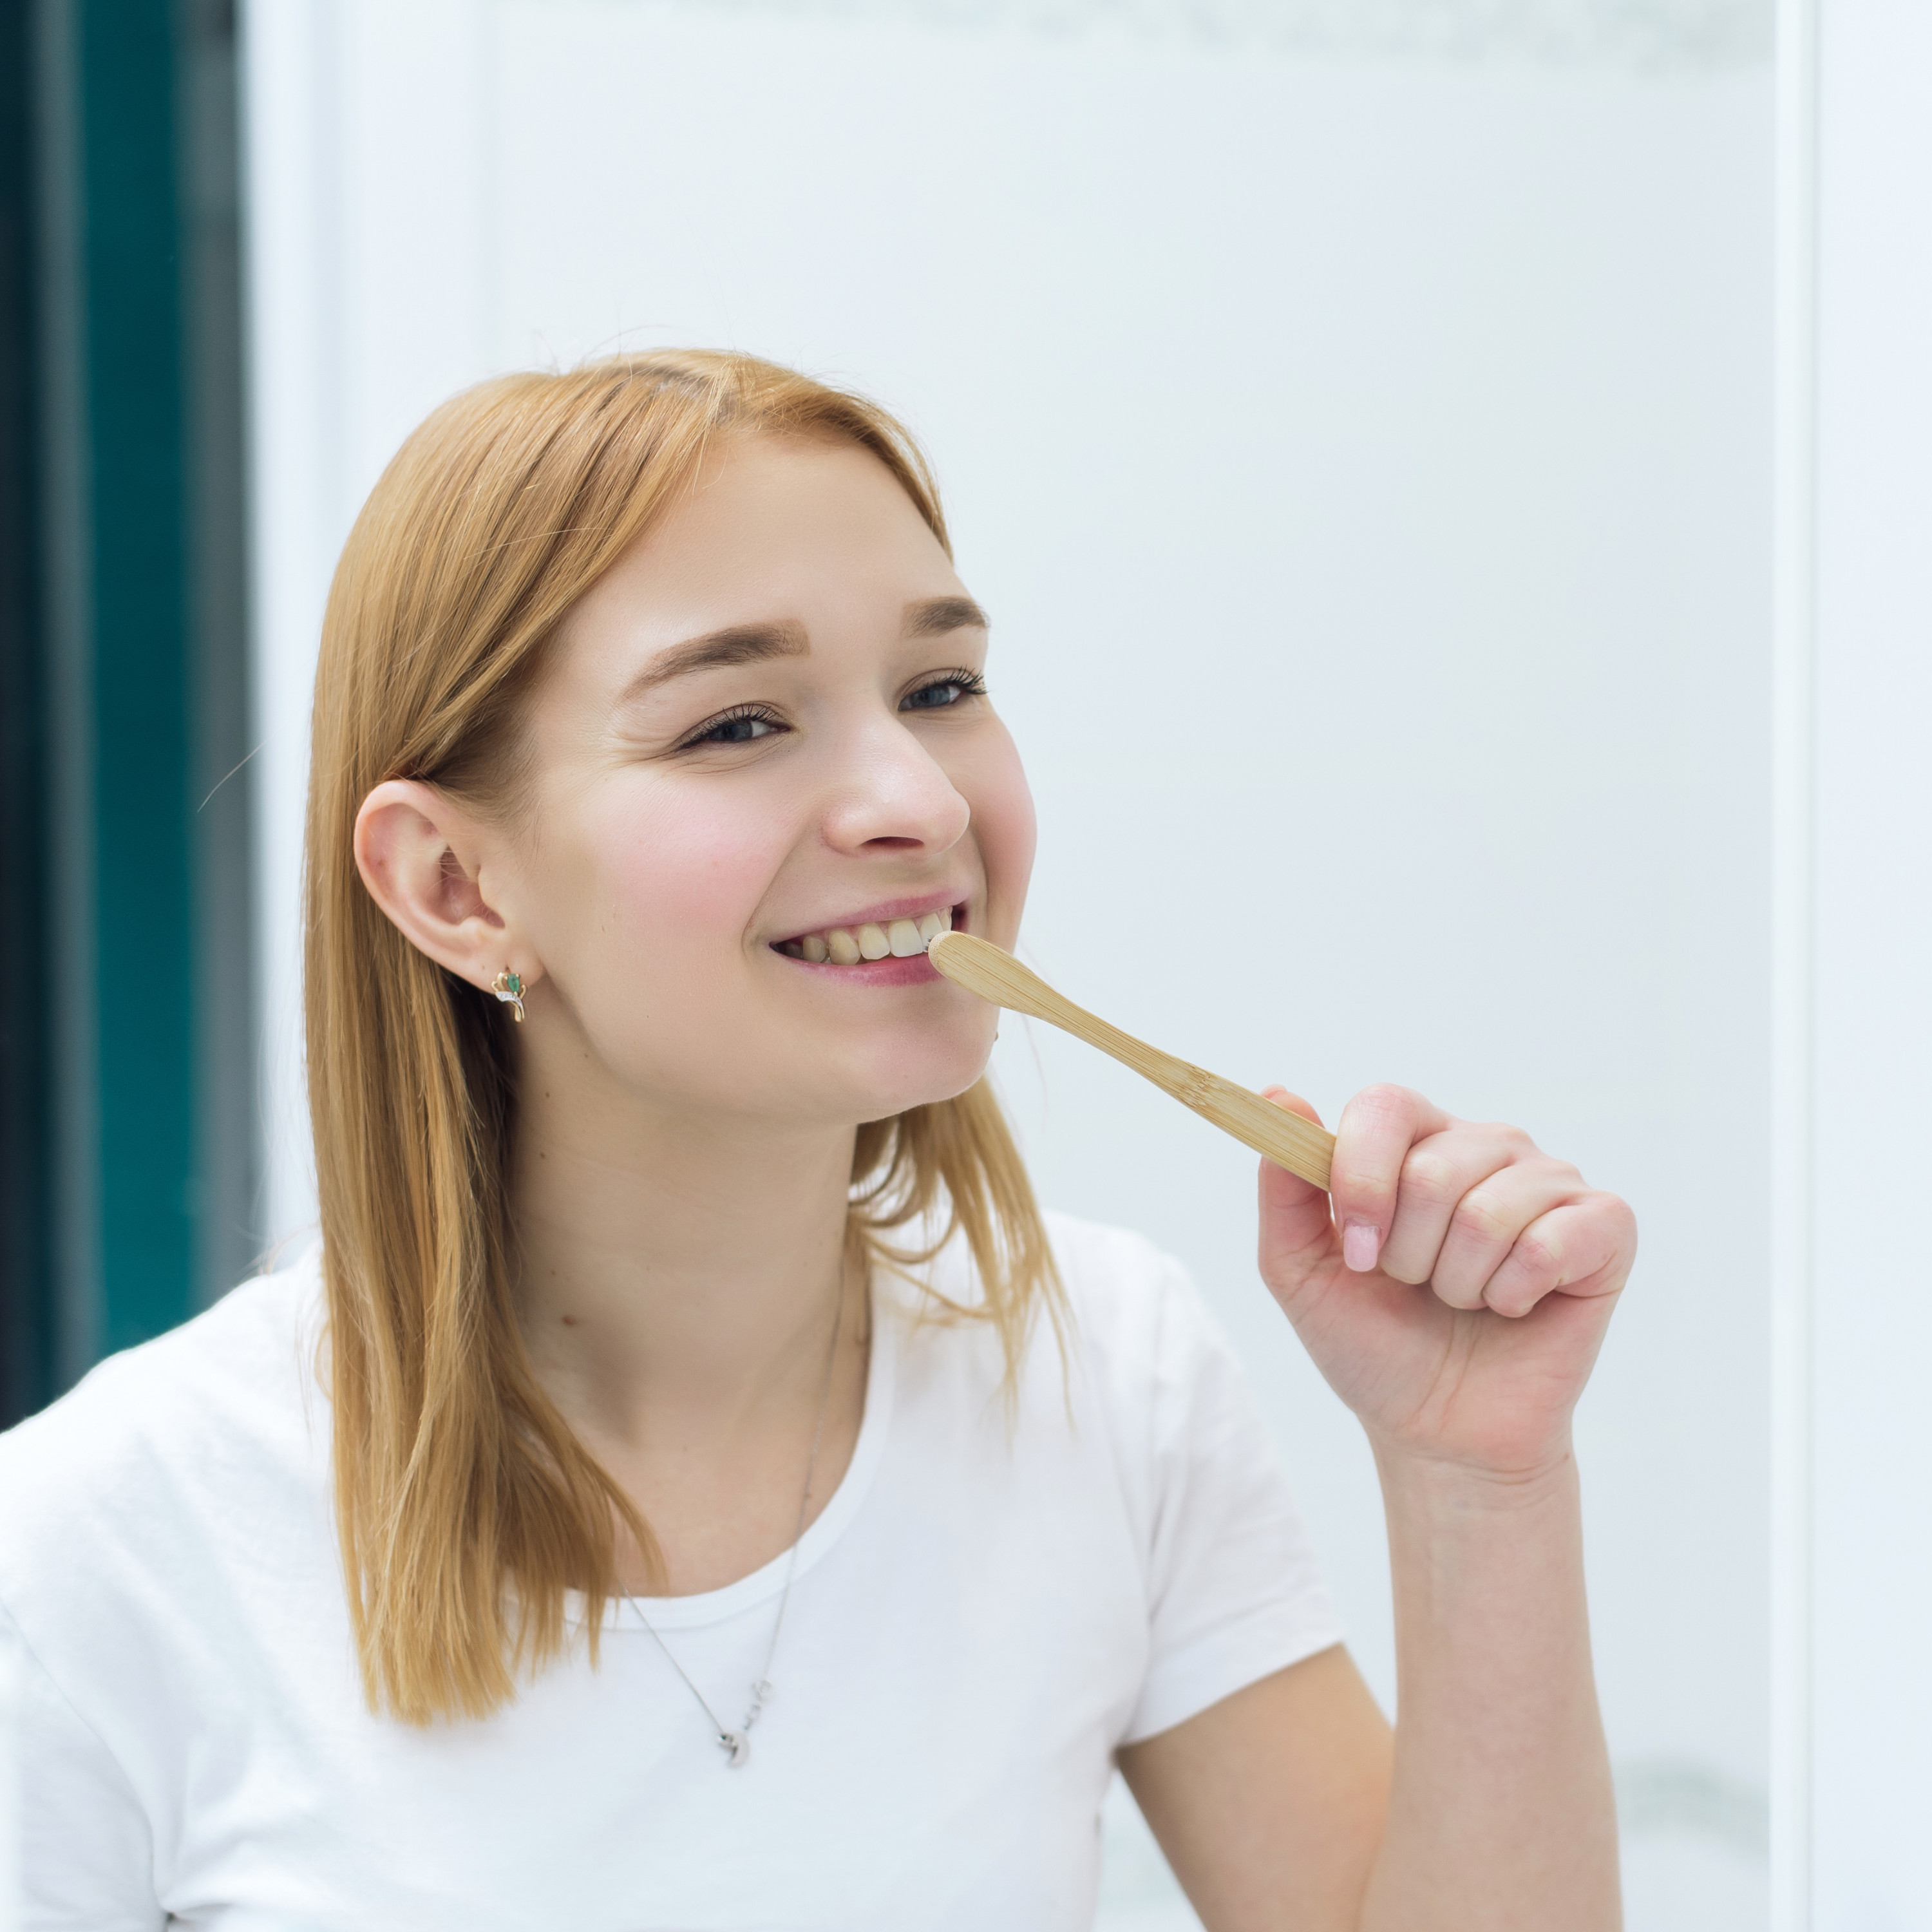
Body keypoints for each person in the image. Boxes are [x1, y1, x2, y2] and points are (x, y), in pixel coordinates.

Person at [0, 352, 1636, 1930]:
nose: (917, 798)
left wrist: (1475, 1479)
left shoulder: (1104, 1374)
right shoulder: (100, 1552)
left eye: (942, 688)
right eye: (737, 724)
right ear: (456, 886)